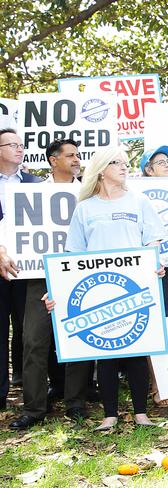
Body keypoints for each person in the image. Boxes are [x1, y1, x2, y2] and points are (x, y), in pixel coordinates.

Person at [51, 146, 166, 431]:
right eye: (117, 163)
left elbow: (152, 240)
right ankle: (110, 415)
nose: (124, 167)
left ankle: (141, 414)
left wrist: (153, 264)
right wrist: (58, 290)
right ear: (101, 170)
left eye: (125, 163)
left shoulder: (139, 202)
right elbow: (73, 255)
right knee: (106, 350)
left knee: (138, 348)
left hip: (134, 287)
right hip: (98, 291)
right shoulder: (85, 208)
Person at [10, 139, 80, 430]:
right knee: (34, 341)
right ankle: (34, 408)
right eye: (70, 155)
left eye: (77, 155)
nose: (77, 159)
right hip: (39, 275)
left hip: (78, 272)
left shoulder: (88, 191)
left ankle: (76, 403)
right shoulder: (32, 191)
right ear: (53, 160)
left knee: (78, 338)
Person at [0, 129, 41, 411]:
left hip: (27, 271)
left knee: (29, 335)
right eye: (12, 144)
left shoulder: (36, 183)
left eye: (21, 144)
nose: (19, 149)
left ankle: (33, 397)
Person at [140, 145, 168, 408]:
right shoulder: (135, 196)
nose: (167, 165)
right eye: (161, 162)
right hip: (150, 269)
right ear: (148, 170)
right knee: (155, 327)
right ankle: (158, 384)